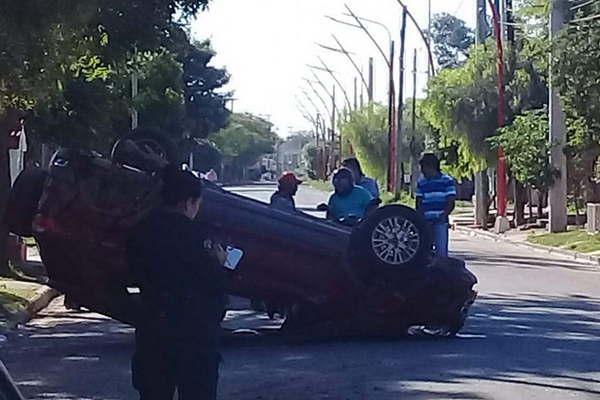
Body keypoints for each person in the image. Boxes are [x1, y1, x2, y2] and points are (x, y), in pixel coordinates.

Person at [127, 165, 227, 400]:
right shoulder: (198, 235)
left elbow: (132, 273)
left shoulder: (140, 231)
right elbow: (212, 282)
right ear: (188, 202)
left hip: (153, 328)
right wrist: (219, 262)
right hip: (195, 334)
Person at [415, 153, 456, 258]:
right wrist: (420, 218)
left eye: (423, 168)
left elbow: (450, 201)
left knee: (441, 253)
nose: (422, 171)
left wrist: (444, 215)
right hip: (425, 222)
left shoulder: (447, 181)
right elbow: (419, 202)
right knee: (424, 252)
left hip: (440, 222)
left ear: (431, 167)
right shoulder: (422, 183)